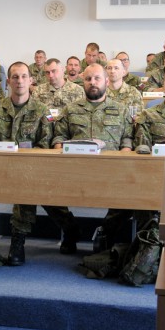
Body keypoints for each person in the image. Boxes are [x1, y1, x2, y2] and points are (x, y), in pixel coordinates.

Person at [0, 62, 79, 263]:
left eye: (24, 77)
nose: (20, 81)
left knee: (27, 186)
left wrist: (25, 163)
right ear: (8, 81)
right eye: (15, 77)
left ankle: (19, 239)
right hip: (1, 168)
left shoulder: (42, 111)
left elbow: (45, 144)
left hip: (33, 168)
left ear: (31, 80)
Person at [52, 64, 133, 247]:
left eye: (97, 78)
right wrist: (60, 153)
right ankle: (70, 229)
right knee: (44, 191)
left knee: (134, 194)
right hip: (74, 168)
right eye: (88, 79)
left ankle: (105, 232)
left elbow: (128, 139)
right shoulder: (70, 109)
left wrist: (123, 160)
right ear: (83, 82)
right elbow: (59, 136)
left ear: (106, 81)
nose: (92, 82)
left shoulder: (121, 110)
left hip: (111, 169)